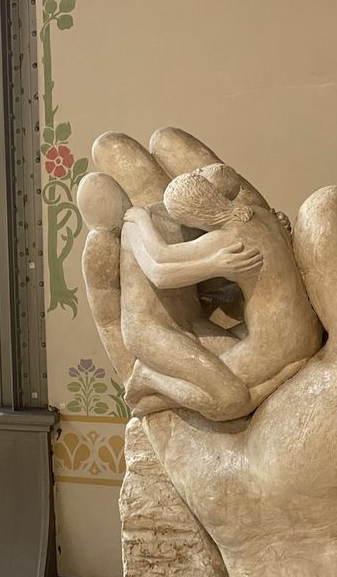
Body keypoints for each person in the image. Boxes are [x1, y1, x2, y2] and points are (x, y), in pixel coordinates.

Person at [119, 163, 322, 420]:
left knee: (225, 402)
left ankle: (148, 381)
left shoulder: (224, 239)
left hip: (273, 344)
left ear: (195, 216)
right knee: (216, 383)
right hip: (306, 330)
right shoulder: (260, 214)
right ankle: (153, 395)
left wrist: (142, 220)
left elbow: (161, 257)